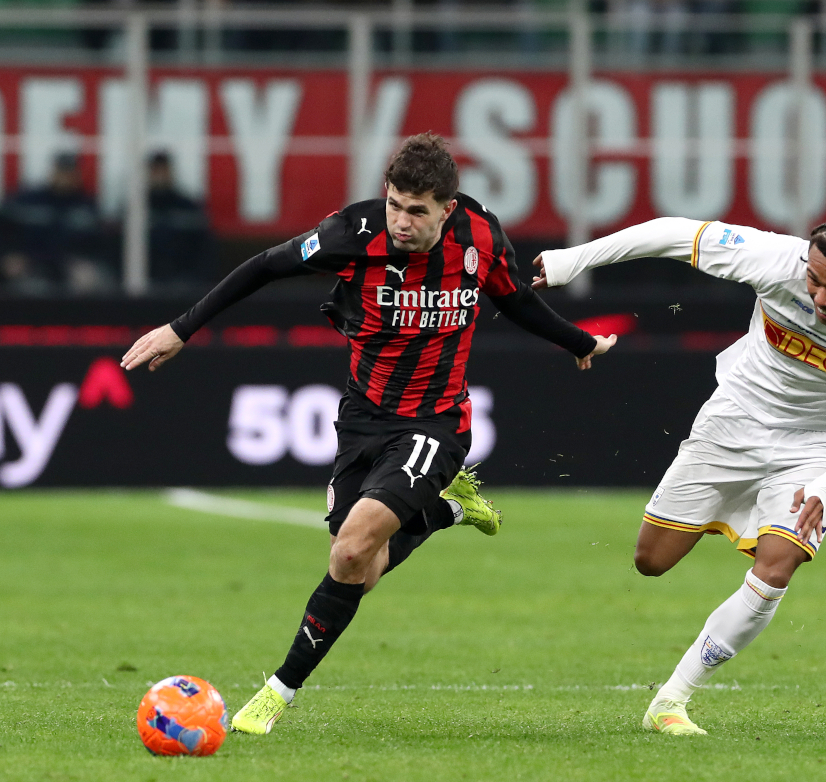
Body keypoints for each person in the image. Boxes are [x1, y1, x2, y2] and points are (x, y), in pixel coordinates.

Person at [122, 133, 616, 734]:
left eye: (417, 210)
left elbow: (514, 301)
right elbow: (264, 267)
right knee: (361, 563)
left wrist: (579, 341)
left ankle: (279, 690)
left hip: (437, 421)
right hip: (362, 416)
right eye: (394, 204)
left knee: (352, 548)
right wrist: (182, 328)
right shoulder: (351, 235)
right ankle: (447, 512)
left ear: (448, 209)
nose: (402, 221)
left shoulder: (481, 238)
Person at [534, 214, 826, 735]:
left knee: (777, 568)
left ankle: (671, 700)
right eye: (813, 281)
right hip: (734, 419)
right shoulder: (774, 257)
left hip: (818, 444)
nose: (821, 299)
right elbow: (673, 234)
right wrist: (570, 260)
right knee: (652, 560)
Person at [0, 152, 113, 294]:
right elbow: (5, 232)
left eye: (70, 172)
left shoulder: (86, 206)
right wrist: (8, 255)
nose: (65, 177)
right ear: (52, 171)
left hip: (71, 266)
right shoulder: (27, 201)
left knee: (89, 282)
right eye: (61, 171)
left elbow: (100, 243)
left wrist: (89, 263)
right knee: (30, 288)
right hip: (31, 263)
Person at [147, 151, 216, 291]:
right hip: (146, 277)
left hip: (184, 280)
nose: (160, 175)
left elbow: (204, 246)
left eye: (163, 169)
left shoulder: (187, 206)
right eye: (156, 170)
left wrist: (200, 278)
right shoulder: (136, 209)